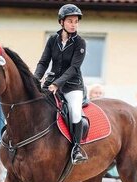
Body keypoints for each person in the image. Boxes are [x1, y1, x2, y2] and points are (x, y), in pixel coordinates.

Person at [34, 4, 87, 165]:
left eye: (76, 21)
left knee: (75, 112)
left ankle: (76, 148)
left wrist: (57, 84)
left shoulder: (80, 42)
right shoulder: (52, 40)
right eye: (70, 21)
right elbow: (44, 62)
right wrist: (35, 79)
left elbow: (74, 67)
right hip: (51, 84)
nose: (73, 24)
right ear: (61, 22)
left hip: (72, 85)